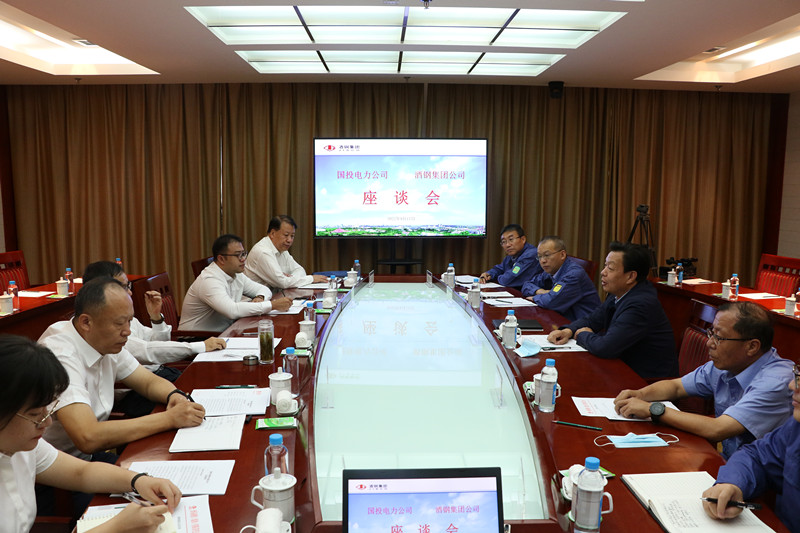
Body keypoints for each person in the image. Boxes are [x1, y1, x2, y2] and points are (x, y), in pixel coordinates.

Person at [0, 334, 181, 532]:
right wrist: (115, 528)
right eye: (35, 415)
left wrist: (139, 480)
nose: (48, 422)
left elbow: (81, 472)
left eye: (47, 410)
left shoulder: (21, 445)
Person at [38, 277, 206, 461]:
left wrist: (174, 395)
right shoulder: (62, 355)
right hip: (54, 465)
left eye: (129, 321)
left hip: (84, 457)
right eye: (119, 323)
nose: (127, 331)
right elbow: (88, 436)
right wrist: (170, 419)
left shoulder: (103, 340)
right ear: (86, 322)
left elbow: (148, 381)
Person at [614, 301, 793, 458]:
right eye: (711, 333)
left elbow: (718, 429)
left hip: (765, 477)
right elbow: (676, 386)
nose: (709, 343)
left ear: (752, 346)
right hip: (731, 462)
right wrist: (639, 394)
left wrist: (653, 409)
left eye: (719, 337)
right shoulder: (727, 364)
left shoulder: (776, 382)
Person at [547, 241, 677, 379]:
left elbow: (606, 347)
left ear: (631, 276)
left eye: (610, 268)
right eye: (605, 266)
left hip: (646, 381)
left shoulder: (641, 304)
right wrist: (568, 331)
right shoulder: (619, 292)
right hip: (622, 369)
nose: (603, 272)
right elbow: (593, 319)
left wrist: (581, 335)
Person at [701, 363, 800, 533]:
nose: (792, 385)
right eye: (797, 374)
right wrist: (733, 483)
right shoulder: (796, 427)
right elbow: (757, 456)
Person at [82, 260, 227, 374]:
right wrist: (200, 346)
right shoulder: (102, 325)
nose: (130, 293)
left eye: (128, 286)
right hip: (137, 388)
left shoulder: (125, 316)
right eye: (123, 287)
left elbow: (158, 343)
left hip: (157, 372)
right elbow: (147, 351)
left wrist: (156, 317)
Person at [180, 234, 292, 332]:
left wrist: (260, 297)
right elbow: (232, 311)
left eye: (243, 254)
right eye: (238, 255)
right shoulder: (209, 280)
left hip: (225, 332)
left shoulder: (235, 273)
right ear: (221, 259)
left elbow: (263, 289)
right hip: (197, 339)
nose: (243, 259)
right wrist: (272, 305)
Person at [520, 236, 601, 321]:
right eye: (539, 256)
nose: (543, 261)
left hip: (583, 324)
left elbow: (551, 301)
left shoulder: (573, 275)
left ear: (562, 255)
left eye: (547, 255)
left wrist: (534, 298)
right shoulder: (551, 270)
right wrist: (540, 291)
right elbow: (526, 285)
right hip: (562, 318)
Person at [244, 215, 328, 290]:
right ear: (272, 233)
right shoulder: (263, 251)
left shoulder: (282, 249)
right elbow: (282, 283)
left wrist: (290, 279)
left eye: (292, 236)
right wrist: (311, 279)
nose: (289, 240)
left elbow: (299, 270)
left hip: (273, 297)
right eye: (286, 235)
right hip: (254, 300)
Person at [478, 224, 543, 290]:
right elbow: (500, 268)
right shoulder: (512, 255)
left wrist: (497, 277)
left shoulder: (530, 255)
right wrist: (489, 274)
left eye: (511, 239)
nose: (507, 245)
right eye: (504, 242)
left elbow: (507, 280)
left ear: (523, 239)